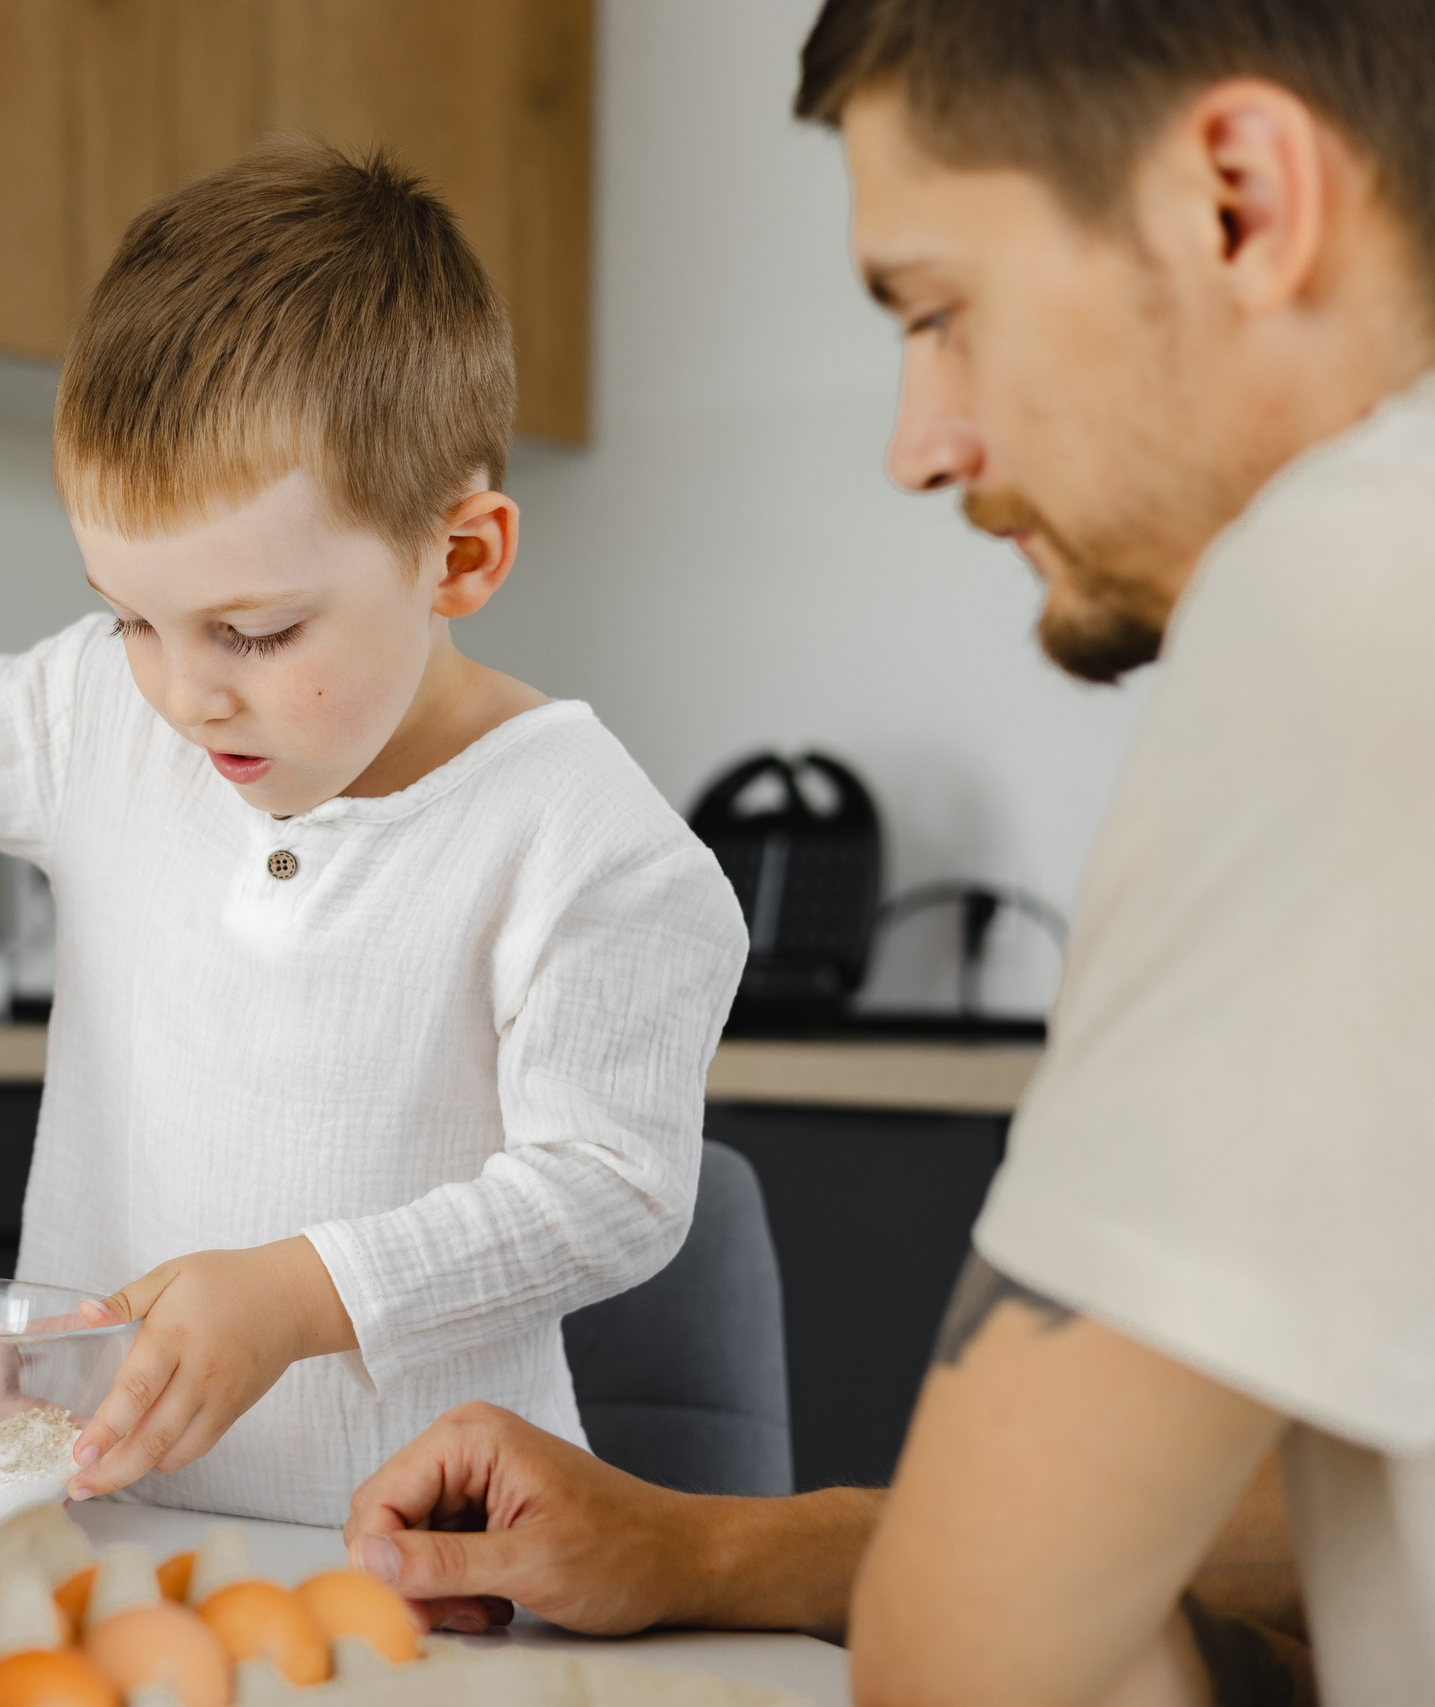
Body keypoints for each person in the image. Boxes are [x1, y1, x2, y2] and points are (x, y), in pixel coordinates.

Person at [345, 0, 1435, 1697]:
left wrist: (953, 1594)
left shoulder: (1349, 594)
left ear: (1239, 198)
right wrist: (711, 1547)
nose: (919, 441)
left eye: (941, 313)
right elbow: (1354, 1508)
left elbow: (982, 1653)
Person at [0, 141, 749, 1527]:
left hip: (420, 1566)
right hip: (92, 1515)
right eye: (130, 616)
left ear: (460, 557)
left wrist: (301, 1292)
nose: (179, 689)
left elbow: (615, 1189)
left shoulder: (589, 845)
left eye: (256, 631)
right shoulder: (112, 710)